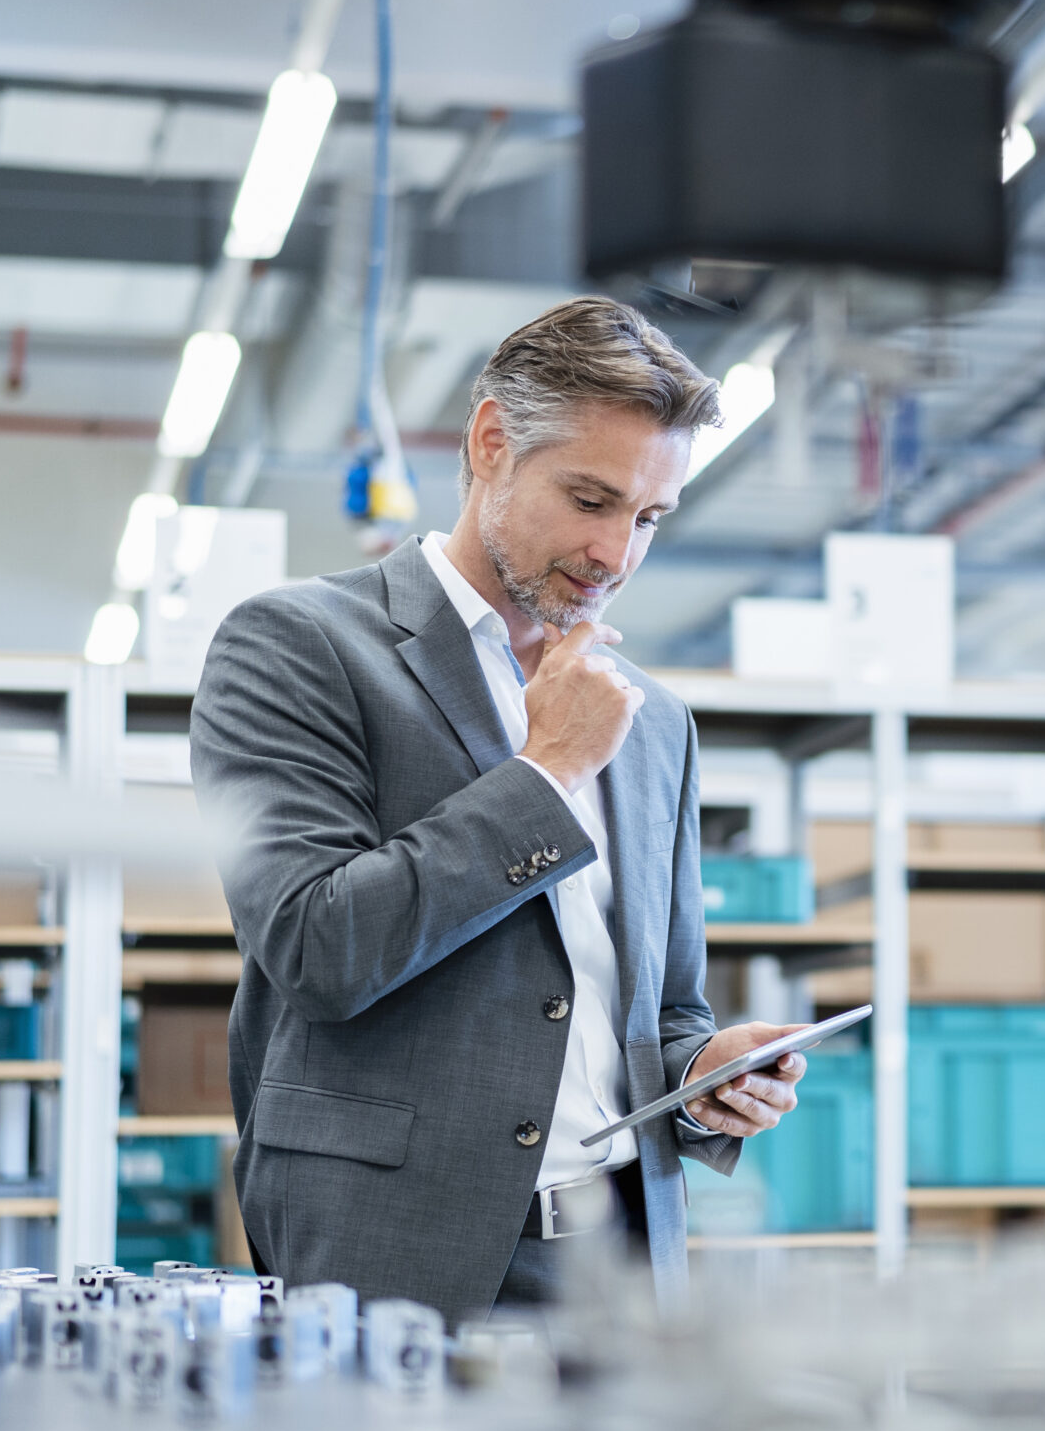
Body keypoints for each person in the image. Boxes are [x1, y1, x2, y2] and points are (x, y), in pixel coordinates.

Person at [190, 296, 806, 1324]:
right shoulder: (300, 647)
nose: (617, 555)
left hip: (620, 1264)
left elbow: (666, 1009)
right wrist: (548, 769)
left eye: (649, 518)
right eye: (590, 499)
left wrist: (704, 1077)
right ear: (490, 444)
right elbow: (315, 947)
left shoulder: (654, 724)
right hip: (390, 1250)